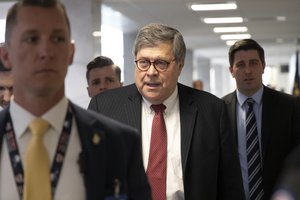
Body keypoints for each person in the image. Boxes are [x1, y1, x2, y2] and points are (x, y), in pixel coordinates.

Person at [0, 0, 151, 200]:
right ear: (6, 55)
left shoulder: (118, 143)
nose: (46, 52)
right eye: (31, 39)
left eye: (57, 39)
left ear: (71, 53)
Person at [89, 23, 245, 200]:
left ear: (180, 66)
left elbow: (230, 187)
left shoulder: (212, 111)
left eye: (161, 63)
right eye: (143, 63)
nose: (151, 72)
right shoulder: (104, 108)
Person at [222, 39, 300, 200]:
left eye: (254, 63)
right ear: (231, 70)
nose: (248, 70)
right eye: (241, 65)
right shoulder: (218, 109)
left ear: (263, 66)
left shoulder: (290, 106)